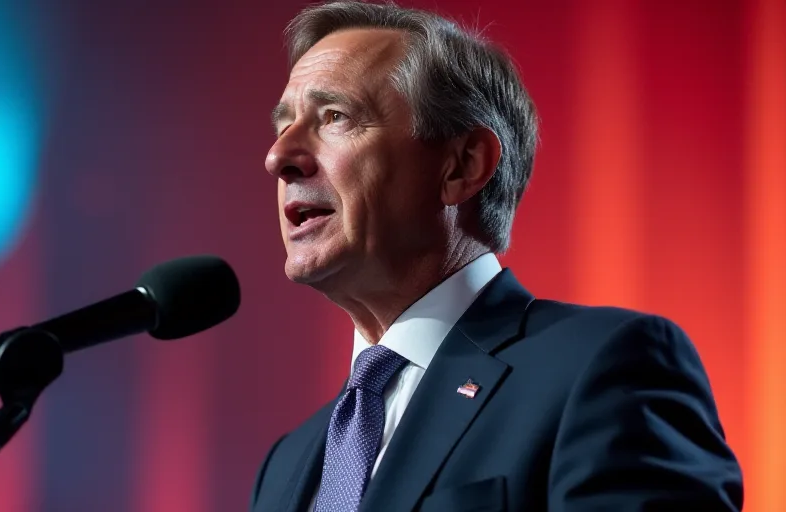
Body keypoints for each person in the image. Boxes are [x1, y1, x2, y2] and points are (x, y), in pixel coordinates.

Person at [250, 1, 743, 511]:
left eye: (335, 117)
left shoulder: (604, 367)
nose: (278, 157)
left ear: (463, 166)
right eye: (283, 126)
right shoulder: (286, 464)